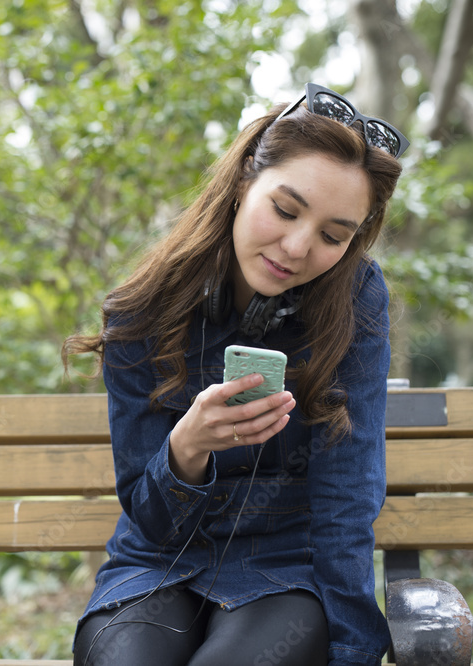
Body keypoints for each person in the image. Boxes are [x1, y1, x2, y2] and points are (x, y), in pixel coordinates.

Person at [63, 83, 407, 666]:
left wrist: (351, 649)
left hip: (284, 570)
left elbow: (345, 494)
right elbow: (150, 519)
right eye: (285, 209)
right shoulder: (142, 311)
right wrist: (186, 450)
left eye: (332, 235)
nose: (297, 248)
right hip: (156, 565)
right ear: (245, 179)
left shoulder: (355, 300)